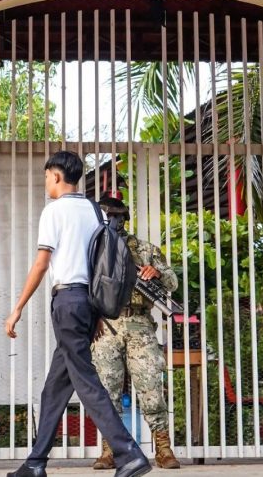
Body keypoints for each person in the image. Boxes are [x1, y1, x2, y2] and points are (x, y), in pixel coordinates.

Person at [4, 151, 151, 477]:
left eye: (46, 177)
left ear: (56, 176)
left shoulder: (53, 211)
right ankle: (35, 463)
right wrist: (96, 313)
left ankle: (129, 455)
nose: (45, 182)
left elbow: (42, 263)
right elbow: (100, 262)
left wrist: (17, 309)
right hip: (87, 303)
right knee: (55, 389)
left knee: (86, 382)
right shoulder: (92, 211)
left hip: (68, 301)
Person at [91, 196, 180, 470]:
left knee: (151, 386)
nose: (114, 221)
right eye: (108, 216)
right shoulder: (94, 249)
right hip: (106, 325)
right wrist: (91, 319)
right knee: (107, 392)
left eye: (117, 216)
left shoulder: (144, 248)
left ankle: (163, 447)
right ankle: (109, 450)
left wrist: (157, 273)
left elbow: (172, 281)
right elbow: (85, 286)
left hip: (139, 323)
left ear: (124, 218)